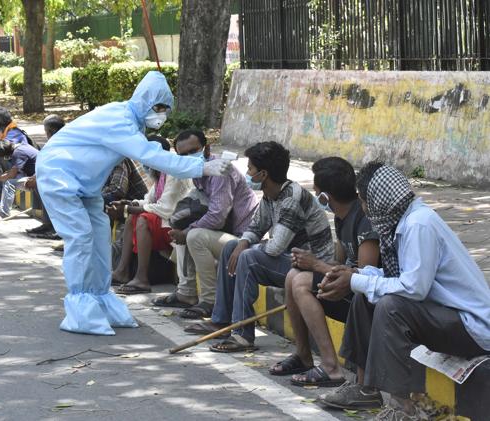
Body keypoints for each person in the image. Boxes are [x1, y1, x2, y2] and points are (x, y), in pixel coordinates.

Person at [35, 71, 231, 336]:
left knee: (100, 235)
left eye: (165, 109)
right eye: (157, 107)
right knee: (81, 238)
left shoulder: (131, 121)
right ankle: (81, 305)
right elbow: (152, 155)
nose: (161, 114)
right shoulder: (120, 122)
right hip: (60, 175)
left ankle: (99, 298)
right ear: (143, 101)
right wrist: (202, 166)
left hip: (85, 183)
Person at [318, 162, 490, 420]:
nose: (363, 208)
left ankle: (401, 408)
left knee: (390, 307)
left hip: (472, 327)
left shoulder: (418, 224)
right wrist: (355, 276)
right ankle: (364, 389)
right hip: (444, 315)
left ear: (377, 200)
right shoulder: (403, 222)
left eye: (364, 201)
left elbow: (413, 288)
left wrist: (357, 281)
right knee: (366, 297)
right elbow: (397, 279)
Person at [204, 142, 334, 353]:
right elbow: (255, 227)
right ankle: (222, 321)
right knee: (232, 248)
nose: (247, 174)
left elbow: (275, 248)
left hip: (311, 266)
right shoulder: (270, 195)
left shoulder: (292, 198)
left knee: (248, 257)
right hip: (289, 259)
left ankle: (243, 335)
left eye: (250, 169)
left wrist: (247, 247)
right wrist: (243, 242)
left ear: (263, 174)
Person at [266, 157, 380, 392]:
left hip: (364, 299)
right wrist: (310, 263)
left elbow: (365, 277)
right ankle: (303, 356)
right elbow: (338, 262)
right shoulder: (341, 217)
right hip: (345, 286)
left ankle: (331, 367)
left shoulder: (363, 219)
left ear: (325, 197)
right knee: (293, 275)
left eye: (317, 192)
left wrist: (317, 266)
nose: (316, 197)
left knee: (301, 284)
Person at [152, 129, 258, 320]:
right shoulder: (197, 171)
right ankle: (186, 293)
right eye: (183, 155)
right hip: (226, 234)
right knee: (182, 231)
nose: (189, 158)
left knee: (193, 235)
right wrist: (183, 230)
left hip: (243, 241)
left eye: (193, 151)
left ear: (207, 149)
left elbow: (217, 216)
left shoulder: (220, 171)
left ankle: (210, 301)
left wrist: (187, 231)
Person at [110, 135, 193, 294]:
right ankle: (122, 271)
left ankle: (142, 278)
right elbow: (149, 200)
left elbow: (165, 208)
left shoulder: (172, 172)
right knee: (131, 219)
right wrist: (129, 205)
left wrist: (130, 209)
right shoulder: (160, 173)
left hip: (175, 224)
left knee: (143, 219)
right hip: (164, 221)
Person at [0, 140, 38, 218]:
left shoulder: (18, 153)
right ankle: (3, 209)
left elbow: (11, 175)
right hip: (34, 174)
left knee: (9, 183)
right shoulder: (21, 146)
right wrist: (2, 176)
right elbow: (13, 172)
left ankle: (4, 212)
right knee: (6, 178)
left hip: (37, 179)